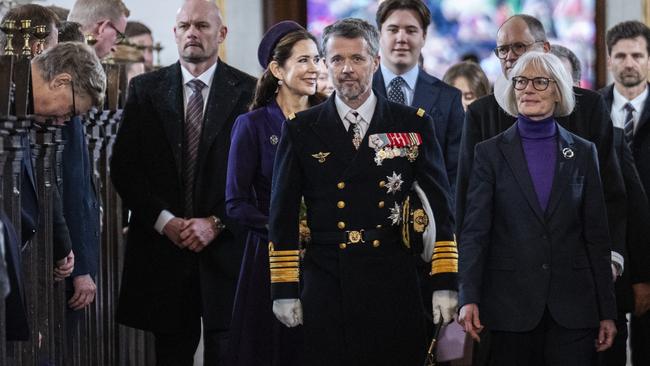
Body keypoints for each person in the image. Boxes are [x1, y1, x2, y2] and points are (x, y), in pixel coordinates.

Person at [267, 18, 456, 366]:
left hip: (394, 276)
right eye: (337, 59)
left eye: (357, 59)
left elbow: (440, 207)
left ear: (376, 62)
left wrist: (445, 280)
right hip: (327, 280)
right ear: (325, 64)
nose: (347, 69)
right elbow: (283, 213)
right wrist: (284, 289)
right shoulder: (302, 129)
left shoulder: (412, 123)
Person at [110, 0, 256, 364]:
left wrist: (216, 222)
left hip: (227, 250)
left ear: (221, 34)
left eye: (203, 26)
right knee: (171, 355)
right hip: (165, 252)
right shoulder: (145, 90)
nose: (193, 33)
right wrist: (165, 221)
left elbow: (259, 175)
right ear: (175, 34)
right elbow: (125, 167)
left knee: (229, 353)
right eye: (185, 26)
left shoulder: (249, 92)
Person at [458, 51, 617, 365]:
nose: (527, 89)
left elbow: (597, 238)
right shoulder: (489, 153)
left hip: (573, 311)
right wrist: (468, 297)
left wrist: (607, 312)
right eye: (520, 81)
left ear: (558, 91)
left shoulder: (584, 153)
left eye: (540, 82)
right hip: (508, 310)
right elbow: (475, 232)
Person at [455, 13, 626, 303]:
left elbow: (610, 189)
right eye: (503, 50)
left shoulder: (588, 106)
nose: (509, 57)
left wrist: (610, 257)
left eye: (519, 47)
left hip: (575, 278)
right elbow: (467, 204)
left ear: (545, 49)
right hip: (506, 283)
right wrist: (470, 284)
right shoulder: (480, 114)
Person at [225, 20, 323, 366]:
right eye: (304, 60)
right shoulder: (251, 125)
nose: (315, 69)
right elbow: (235, 204)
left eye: (317, 59)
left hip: (325, 259)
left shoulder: (330, 119)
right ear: (277, 69)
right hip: (271, 258)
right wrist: (284, 227)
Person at [599, 20, 650, 366]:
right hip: (609, 248)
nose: (629, 63)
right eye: (621, 55)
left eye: (637, 55)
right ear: (609, 59)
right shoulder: (591, 111)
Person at [373, 0, 464, 193]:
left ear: (424, 36)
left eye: (411, 30)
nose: (401, 38)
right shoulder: (359, 94)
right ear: (379, 34)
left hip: (430, 217)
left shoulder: (448, 99)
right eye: (393, 29)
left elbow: (457, 175)